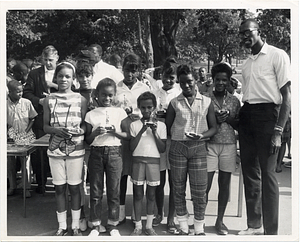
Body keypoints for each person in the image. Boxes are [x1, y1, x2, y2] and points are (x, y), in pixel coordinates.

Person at [237, 18, 291, 235]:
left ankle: (271, 232)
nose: (244, 37)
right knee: (250, 172)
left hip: (269, 117)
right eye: (241, 34)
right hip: (248, 115)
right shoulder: (247, 62)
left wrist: (278, 131)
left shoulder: (277, 55)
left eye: (247, 32)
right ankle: (254, 224)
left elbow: (287, 97)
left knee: (268, 175)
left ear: (259, 31)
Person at [165, 64, 217, 235]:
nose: (186, 86)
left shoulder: (207, 102)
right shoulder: (174, 103)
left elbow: (213, 128)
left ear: (195, 81)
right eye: (182, 83)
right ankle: (182, 225)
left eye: (189, 82)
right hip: (178, 147)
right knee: (178, 187)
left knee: (199, 189)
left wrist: (201, 136)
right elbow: (167, 127)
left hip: (199, 147)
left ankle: (199, 226)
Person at [43, 61, 87, 236]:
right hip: (55, 150)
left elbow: (84, 124)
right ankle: (62, 226)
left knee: (75, 187)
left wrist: (80, 130)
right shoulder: (49, 99)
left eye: (67, 76)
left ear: (73, 79)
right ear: (56, 77)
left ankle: (75, 225)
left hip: (76, 149)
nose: (63, 79)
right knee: (59, 187)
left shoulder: (81, 99)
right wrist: (56, 130)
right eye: (60, 76)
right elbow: (45, 126)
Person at [85, 78, 128, 237]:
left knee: (113, 190)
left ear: (115, 95)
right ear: (97, 94)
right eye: (103, 95)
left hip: (114, 152)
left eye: (110, 95)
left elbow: (126, 135)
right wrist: (95, 133)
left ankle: (112, 225)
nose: (107, 99)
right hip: (96, 153)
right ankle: (95, 225)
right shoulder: (91, 114)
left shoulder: (120, 112)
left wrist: (114, 132)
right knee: (96, 191)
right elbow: (87, 140)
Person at [205, 63, 240, 235]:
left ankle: (220, 220)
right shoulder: (204, 98)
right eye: (217, 79)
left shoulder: (234, 101)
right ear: (212, 80)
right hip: (210, 145)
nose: (220, 83)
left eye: (224, 80)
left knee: (224, 185)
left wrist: (229, 118)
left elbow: (239, 124)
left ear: (229, 81)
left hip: (229, 145)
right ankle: (199, 219)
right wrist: (215, 120)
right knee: (205, 184)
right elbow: (200, 124)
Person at [115, 53, 150, 224]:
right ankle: (120, 210)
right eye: (127, 70)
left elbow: (149, 110)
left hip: (139, 135)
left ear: (138, 72)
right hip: (121, 136)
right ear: (122, 69)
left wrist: (136, 113)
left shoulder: (144, 88)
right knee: (121, 173)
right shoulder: (116, 87)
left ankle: (137, 213)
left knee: (138, 175)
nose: (130, 74)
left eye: (133, 71)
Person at [23, 45, 59, 194]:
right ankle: (41, 183)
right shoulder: (34, 74)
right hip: (40, 118)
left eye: (51, 60)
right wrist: (39, 101)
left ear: (57, 58)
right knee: (40, 153)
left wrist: (54, 85)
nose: (48, 63)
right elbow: (26, 93)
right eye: (45, 60)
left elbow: (73, 90)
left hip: (59, 118)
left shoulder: (63, 72)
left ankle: (59, 183)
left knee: (58, 150)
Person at [129, 91, 167, 236]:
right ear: (139, 107)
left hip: (153, 163)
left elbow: (162, 149)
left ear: (154, 107)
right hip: (138, 161)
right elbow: (131, 147)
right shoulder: (134, 125)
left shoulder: (161, 126)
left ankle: (149, 226)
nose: (146, 111)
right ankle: (138, 225)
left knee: (151, 195)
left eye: (149, 107)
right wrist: (142, 130)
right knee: (138, 194)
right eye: (143, 108)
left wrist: (155, 132)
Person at [151, 58, 181, 234]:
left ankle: (172, 218)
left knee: (175, 181)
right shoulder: (155, 92)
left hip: (175, 139)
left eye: (172, 77)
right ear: (160, 76)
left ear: (176, 78)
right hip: (159, 139)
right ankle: (158, 213)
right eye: (165, 76)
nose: (168, 80)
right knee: (159, 180)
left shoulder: (179, 93)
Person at [7, 80, 37, 197]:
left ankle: (26, 188)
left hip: (25, 136)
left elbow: (33, 118)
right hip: (10, 137)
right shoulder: (4, 104)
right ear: (10, 92)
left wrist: (26, 130)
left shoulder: (27, 102)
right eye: (18, 92)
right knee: (10, 163)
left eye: (22, 91)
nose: (20, 94)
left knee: (25, 162)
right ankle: (12, 187)